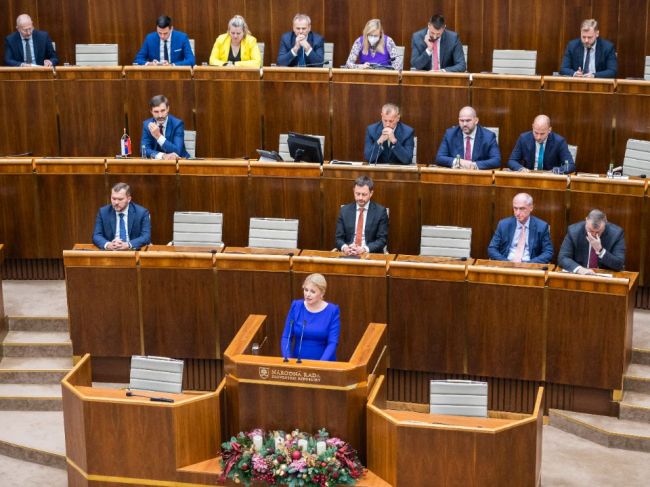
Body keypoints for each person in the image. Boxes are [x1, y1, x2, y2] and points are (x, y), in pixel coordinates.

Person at [281, 273, 340, 361]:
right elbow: (286, 337)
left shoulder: (332, 311)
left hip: (324, 364)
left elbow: (332, 342)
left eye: (312, 291)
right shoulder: (296, 306)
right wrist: (288, 360)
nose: (308, 294)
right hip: (298, 363)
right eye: (306, 290)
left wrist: (320, 365)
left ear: (322, 293)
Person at [488, 193, 553, 264]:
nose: (517, 213)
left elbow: (548, 252)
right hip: (506, 265)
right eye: (515, 208)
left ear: (531, 208)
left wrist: (529, 264)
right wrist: (506, 262)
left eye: (522, 208)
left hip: (530, 268)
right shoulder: (503, 224)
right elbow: (492, 249)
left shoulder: (542, 226)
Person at [558, 209, 625, 274]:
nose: (594, 234)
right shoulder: (574, 231)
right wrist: (580, 269)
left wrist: (600, 251)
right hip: (580, 275)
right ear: (586, 220)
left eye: (598, 232)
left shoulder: (616, 234)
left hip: (604, 278)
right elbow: (563, 258)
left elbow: (619, 265)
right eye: (590, 230)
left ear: (605, 223)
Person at [335, 175, 388, 255]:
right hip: (348, 254)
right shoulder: (344, 210)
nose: (360, 198)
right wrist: (345, 247)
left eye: (364, 194)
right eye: (357, 194)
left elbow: (382, 240)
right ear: (354, 191)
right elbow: (338, 238)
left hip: (370, 255)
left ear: (371, 193)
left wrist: (364, 249)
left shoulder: (380, 212)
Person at [435, 106, 501, 169]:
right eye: (461, 120)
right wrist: (459, 161)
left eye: (468, 120)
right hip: (456, 176)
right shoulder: (450, 134)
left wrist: (473, 165)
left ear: (476, 120)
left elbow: (496, 160)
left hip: (478, 176)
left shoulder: (488, 136)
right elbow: (439, 158)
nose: (464, 124)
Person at [92, 182, 151, 250]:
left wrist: (128, 245)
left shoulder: (141, 213)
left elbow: (146, 237)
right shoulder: (103, 212)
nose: (116, 202)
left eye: (120, 199)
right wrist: (108, 245)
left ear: (129, 199)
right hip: (110, 253)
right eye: (113, 199)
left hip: (133, 253)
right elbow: (96, 236)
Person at [508, 115, 575, 173]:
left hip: (550, 179)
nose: (538, 137)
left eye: (542, 134)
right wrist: (521, 169)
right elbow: (512, 160)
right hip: (529, 176)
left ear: (549, 130)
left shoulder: (559, 141)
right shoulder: (523, 138)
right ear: (532, 127)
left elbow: (569, 165)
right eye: (536, 133)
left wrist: (555, 171)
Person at [141, 94, 190, 160]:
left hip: (180, 162)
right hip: (157, 164)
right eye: (156, 112)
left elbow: (178, 151)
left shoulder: (177, 124)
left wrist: (158, 136)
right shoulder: (147, 125)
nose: (160, 115)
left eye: (163, 111)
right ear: (151, 111)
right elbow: (144, 150)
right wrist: (163, 155)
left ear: (167, 109)